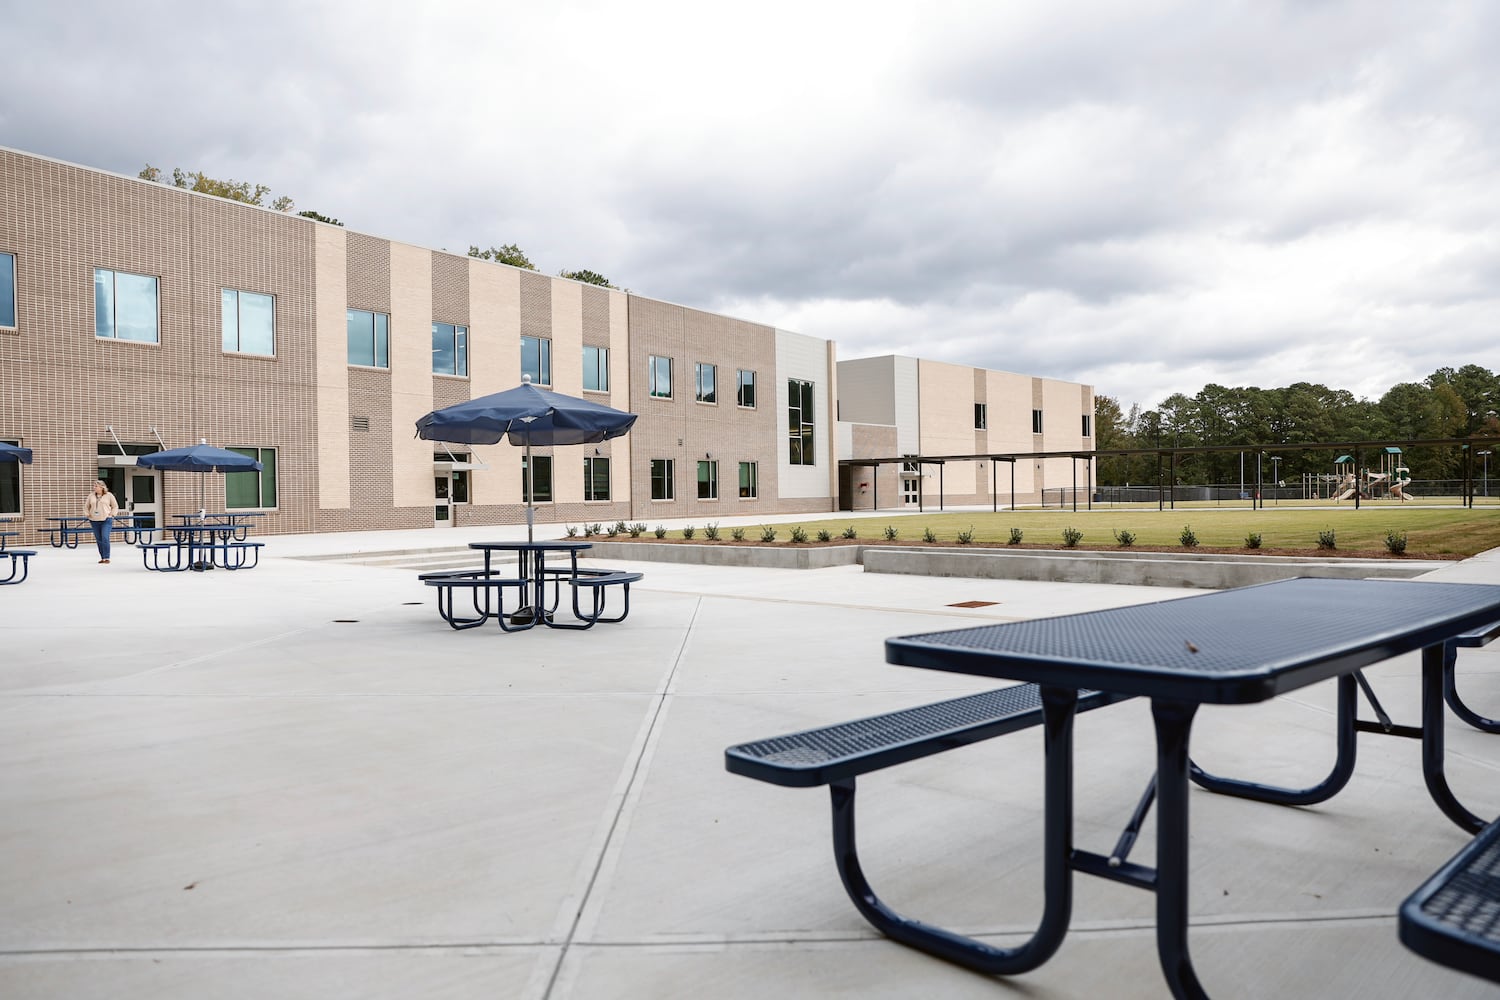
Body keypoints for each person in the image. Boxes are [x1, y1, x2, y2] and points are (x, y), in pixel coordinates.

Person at [85, 480, 119, 563]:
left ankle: (107, 557)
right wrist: (87, 514)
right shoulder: (91, 496)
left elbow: (115, 506)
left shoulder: (109, 495)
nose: (94, 487)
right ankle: (102, 557)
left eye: (96, 486)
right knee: (99, 539)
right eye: (94, 486)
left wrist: (112, 514)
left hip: (106, 520)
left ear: (102, 487)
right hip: (94, 520)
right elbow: (86, 506)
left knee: (105, 537)